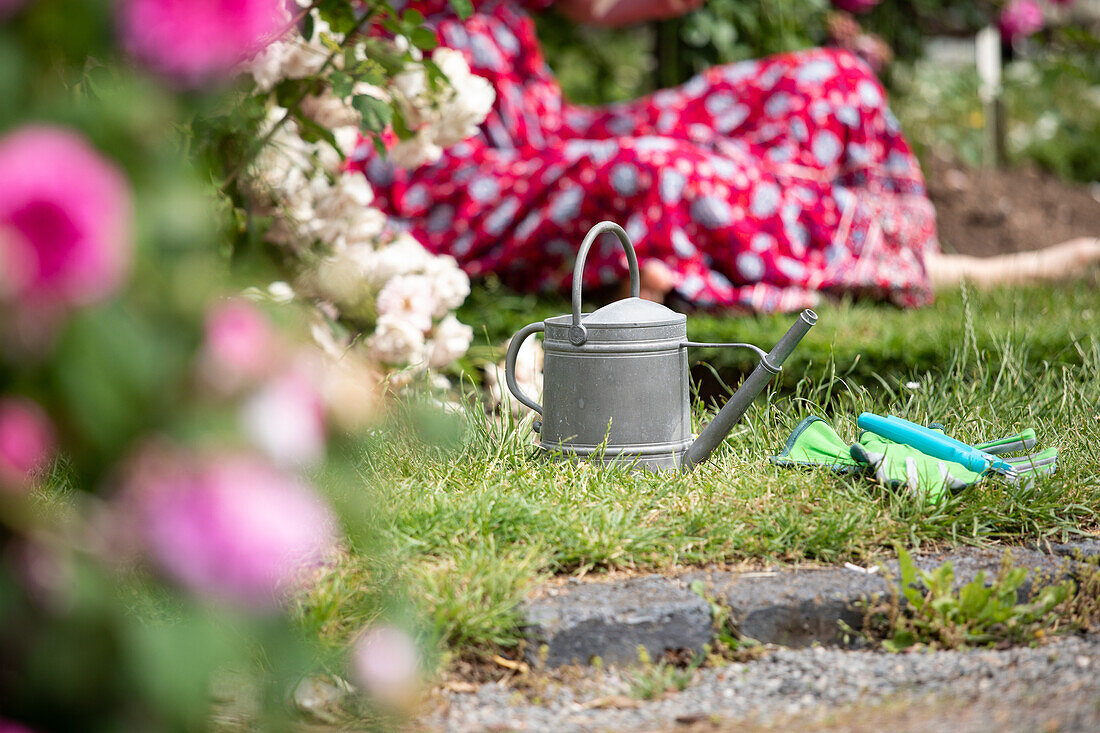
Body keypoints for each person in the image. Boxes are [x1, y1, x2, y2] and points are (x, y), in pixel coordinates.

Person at [351, 0, 1100, 310]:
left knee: (826, 82)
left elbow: (591, 7)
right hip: (452, 181)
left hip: (543, 130)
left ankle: (829, 247)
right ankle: (879, 263)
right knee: (655, 170)